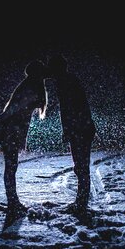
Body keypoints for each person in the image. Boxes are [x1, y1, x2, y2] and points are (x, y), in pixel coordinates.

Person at [0, 60, 48, 218]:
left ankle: (13, 201)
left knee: (11, 166)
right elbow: (16, 106)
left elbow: (16, 105)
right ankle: (12, 202)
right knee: (11, 166)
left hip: (13, 128)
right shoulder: (31, 85)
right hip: (12, 129)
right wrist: (3, 117)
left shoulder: (31, 84)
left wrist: (3, 117)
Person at [47, 55, 96, 212]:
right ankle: (81, 202)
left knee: (81, 166)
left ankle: (81, 204)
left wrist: (69, 130)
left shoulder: (66, 83)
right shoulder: (68, 80)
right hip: (82, 128)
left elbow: (70, 109)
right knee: (81, 166)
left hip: (80, 129)